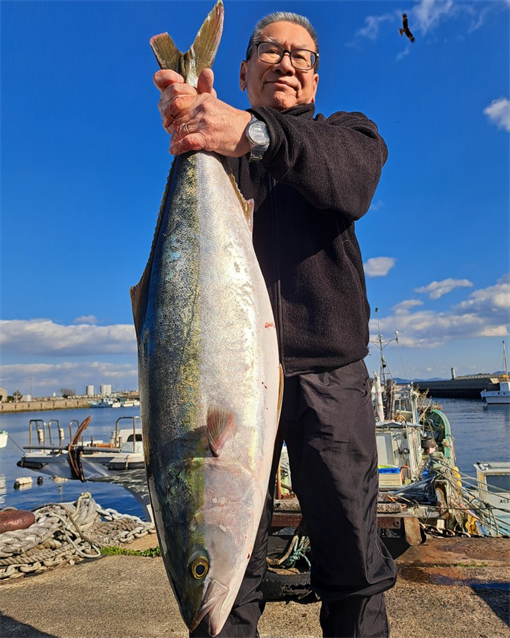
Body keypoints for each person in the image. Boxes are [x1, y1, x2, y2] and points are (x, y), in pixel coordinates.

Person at [154, 11, 397, 638]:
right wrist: (194, 123)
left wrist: (251, 133)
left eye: (301, 56)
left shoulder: (348, 135)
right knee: (231, 567)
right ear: (241, 73)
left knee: (354, 564)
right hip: (230, 383)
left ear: (315, 78)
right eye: (270, 51)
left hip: (328, 378)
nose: (286, 63)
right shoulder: (217, 156)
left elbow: (353, 181)